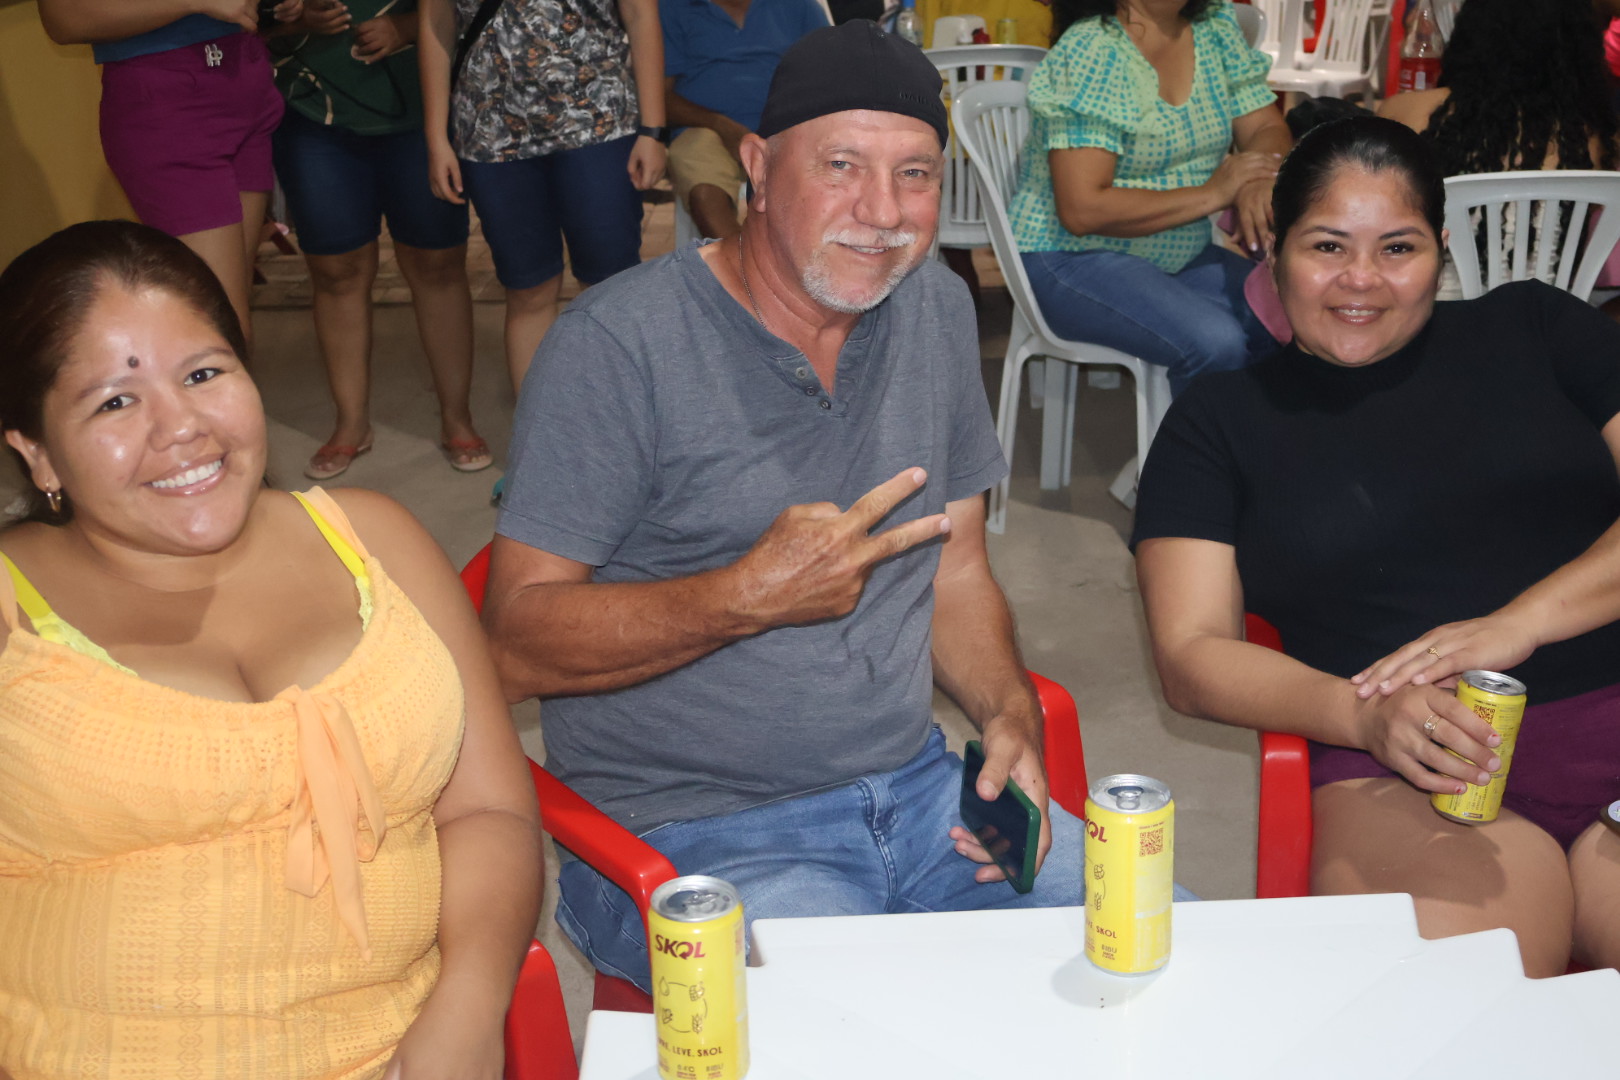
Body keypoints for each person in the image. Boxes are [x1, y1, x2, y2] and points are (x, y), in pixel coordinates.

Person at [482, 20, 1162, 991]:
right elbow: (510, 645)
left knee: (1154, 947)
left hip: (923, 799)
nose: (881, 213)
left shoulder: (930, 306)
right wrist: (743, 596)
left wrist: (1008, 709)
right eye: (841, 164)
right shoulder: (617, 348)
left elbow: (956, 567)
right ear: (757, 167)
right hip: (698, 837)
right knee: (857, 1029)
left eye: (916, 175)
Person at [0, 221, 541, 1077]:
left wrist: (469, 1010)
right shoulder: (10, 610)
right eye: (114, 401)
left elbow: (487, 811)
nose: (180, 427)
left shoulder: (375, 540)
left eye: (205, 373)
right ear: (38, 456)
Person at [1133, 116, 1620, 978]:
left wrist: (1520, 622)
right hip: (1403, 770)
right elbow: (1190, 651)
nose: (1361, 281)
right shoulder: (1219, 423)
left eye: (1398, 248)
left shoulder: (1538, 329)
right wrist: (1358, 715)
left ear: (1440, 247)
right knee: (1456, 1015)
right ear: (1271, 249)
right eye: (1328, 246)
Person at [1007, 0, 1289, 398]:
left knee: (1299, 308)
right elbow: (1083, 209)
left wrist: (1261, 175)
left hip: (1179, 249)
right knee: (1217, 342)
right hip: (1070, 256)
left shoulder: (1214, 26)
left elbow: (1263, 124)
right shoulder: (1093, 49)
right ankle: (1197, 458)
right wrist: (1216, 192)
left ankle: (1254, 451)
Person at [268, 0, 493, 479]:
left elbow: (463, 8)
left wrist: (407, 26)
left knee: (438, 264)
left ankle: (457, 416)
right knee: (335, 271)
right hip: (312, 111)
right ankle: (351, 423)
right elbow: (246, 20)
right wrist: (294, 18)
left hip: (420, 106)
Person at [418, 0, 668, 395]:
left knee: (612, 288)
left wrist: (653, 130)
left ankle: (621, 433)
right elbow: (435, 26)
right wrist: (435, 137)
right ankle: (541, 442)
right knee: (527, 288)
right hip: (491, 133)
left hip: (599, 121)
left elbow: (640, 14)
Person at [36, 0, 304, 353]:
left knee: (228, 316)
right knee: (217, 328)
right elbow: (64, 18)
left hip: (244, 76)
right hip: (173, 101)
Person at [1376, 0, 1619, 301]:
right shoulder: (1592, 140)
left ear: (1470, 36)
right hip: (1547, 327)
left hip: (1433, 321)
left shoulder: (1405, 112)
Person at [660, 0, 829, 239]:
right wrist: (719, 124)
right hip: (704, 128)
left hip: (787, 126)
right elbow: (661, 99)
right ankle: (741, 270)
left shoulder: (801, 7)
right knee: (704, 190)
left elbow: (829, 83)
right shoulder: (673, 7)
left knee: (824, 183)